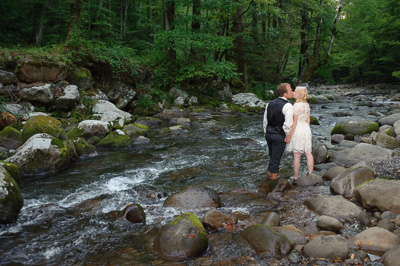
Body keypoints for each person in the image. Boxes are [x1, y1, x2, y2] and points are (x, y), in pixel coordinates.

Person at [263, 83, 294, 180]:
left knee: (272, 157)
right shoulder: (288, 106)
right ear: (285, 93)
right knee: (276, 160)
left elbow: (265, 121)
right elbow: (288, 125)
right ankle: (273, 185)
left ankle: (269, 179)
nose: (292, 92)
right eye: (290, 91)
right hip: (279, 135)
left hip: (269, 134)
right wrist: (287, 135)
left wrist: (266, 132)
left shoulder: (269, 103)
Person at [285, 86, 314, 180]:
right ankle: (310, 173)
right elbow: (308, 120)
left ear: (299, 95)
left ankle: (296, 176)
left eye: (295, 92)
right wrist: (306, 129)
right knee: (308, 153)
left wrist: (289, 135)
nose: (292, 92)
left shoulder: (296, 106)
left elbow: (294, 122)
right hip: (306, 128)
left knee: (296, 154)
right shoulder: (306, 105)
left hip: (298, 129)